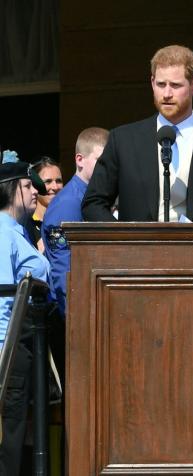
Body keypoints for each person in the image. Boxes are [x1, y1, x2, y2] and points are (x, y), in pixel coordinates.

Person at [81, 44, 193, 222]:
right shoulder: (123, 140)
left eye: (175, 85)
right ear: (152, 83)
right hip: (137, 248)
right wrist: (123, 240)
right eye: (161, 84)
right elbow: (93, 203)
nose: (166, 93)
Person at [0, 156, 51, 476]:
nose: (36, 192)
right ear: (10, 190)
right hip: (11, 350)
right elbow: (3, 299)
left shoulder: (18, 232)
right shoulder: (4, 235)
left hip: (24, 346)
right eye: (28, 185)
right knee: (7, 442)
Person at [41, 127, 108, 316]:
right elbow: (65, 270)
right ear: (80, 160)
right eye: (101, 161)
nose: (108, 167)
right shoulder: (68, 203)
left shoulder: (92, 197)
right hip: (72, 312)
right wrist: (76, 321)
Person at [28, 156, 63, 252]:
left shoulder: (68, 218)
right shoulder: (26, 224)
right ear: (35, 184)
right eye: (48, 181)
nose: (55, 187)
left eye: (59, 181)